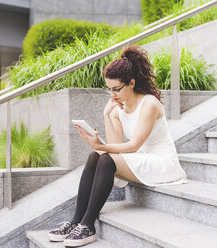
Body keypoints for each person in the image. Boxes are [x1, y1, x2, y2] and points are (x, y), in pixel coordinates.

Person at [48, 45, 188, 247]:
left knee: (102, 156)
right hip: (141, 158)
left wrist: (101, 146)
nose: (112, 94)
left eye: (116, 89)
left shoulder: (149, 104)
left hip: (162, 162)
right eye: (109, 89)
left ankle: (88, 225)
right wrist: (107, 114)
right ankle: (76, 221)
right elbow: (114, 147)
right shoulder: (117, 107)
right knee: (95, 156)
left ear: (131, 83)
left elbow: (132, 146)